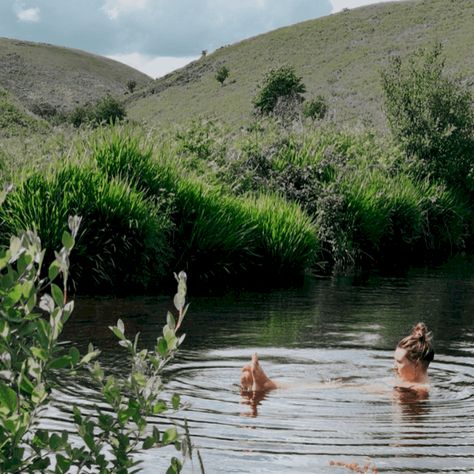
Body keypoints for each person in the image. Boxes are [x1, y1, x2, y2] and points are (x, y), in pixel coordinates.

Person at [240, 322, 435, 394]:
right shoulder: (407, 383)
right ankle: (266, 385)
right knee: (329, 383)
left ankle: (267, 385)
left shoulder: (420, 389)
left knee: (330, 386)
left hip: (370, 388)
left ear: (417, 365)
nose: (394, 366)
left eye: (399, 362)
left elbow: (419, 391)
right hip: (367, 386)